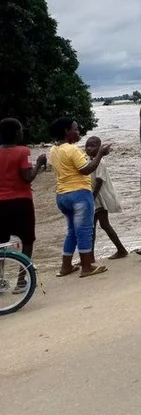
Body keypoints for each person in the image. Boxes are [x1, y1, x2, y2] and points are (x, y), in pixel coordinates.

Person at [49, 117, 110, 278]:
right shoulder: (72, 150)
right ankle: (87, 266)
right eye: (75, 129)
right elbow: (86, 169)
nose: (78, 132)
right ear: (66, 132)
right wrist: (100, 154)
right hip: (79, 194)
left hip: (62, 195)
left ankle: (66, 266)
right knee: (84, 231)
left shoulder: (53, 150)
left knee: (72, 232)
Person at [0, 119, 46, 290]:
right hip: (21, 202)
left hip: (0, 204)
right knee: (27, 240)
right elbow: (27, 177)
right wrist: (39, 165)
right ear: (17, 133)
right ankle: (21, 281)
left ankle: (0, 281)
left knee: (1, 243)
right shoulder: (23, 151)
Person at [85, 136, 128, 259]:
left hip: (99, 198)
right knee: (97, 226)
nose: (88, 148)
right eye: (87, 145)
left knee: (98, 225)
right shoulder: (90, 160)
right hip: (95, 198)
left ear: (100, 148)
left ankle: (120, 250)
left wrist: (91, 198)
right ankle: (91, 255)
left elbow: (99, 181)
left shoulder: (100, 162)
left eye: (92, 146)